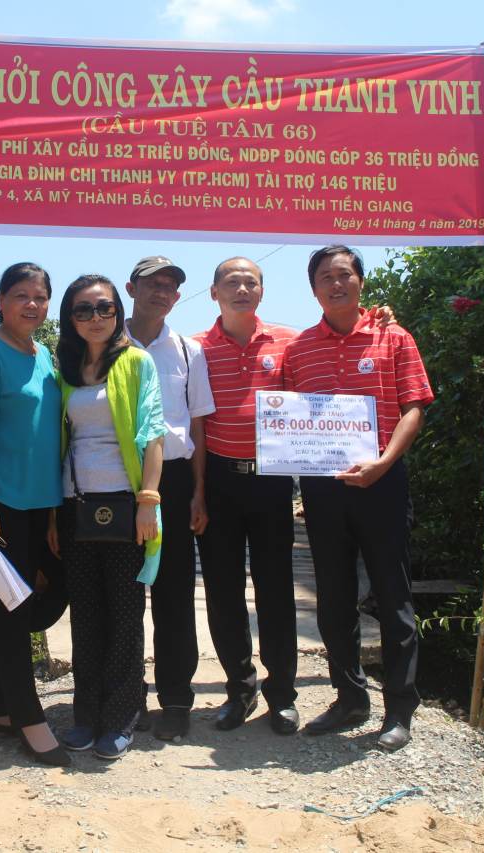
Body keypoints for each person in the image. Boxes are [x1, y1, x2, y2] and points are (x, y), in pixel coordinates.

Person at [285, 245, 433, 752]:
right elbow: (287, 418)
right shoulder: (299, 349)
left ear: (361, 282)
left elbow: (414, 407)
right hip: (323, 489)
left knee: (393, 596)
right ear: (313, 289)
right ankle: (349, 698)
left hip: (382, 482)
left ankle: (400, 709)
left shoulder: (394, 336)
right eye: (325, 277)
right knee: (333, 597)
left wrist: (384, 462)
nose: (336, 283)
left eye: (344, 274)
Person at [0, 262, 71, 767]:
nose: (32, 304)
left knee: (27, 603)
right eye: (21, 294)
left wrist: (53, 512)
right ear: (1, 300)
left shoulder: (44, 354)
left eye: (40, 296)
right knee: (10, 609)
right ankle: (28, 718)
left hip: (40, 504)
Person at [52, 274, 166, 760]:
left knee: (124, 615)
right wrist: (52, 515)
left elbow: (153, 432)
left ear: (118, 312)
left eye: (104, 308)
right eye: (83, 309)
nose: (95, 318)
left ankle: (121, 718)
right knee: (85, 615)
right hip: (74, 505)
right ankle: (86, 715)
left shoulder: (136, 362)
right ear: (70, 318)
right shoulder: (65, 368)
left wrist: (148, 500)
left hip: (124, 504)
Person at [195, 257, 301, 735]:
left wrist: (377, 316)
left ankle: (283, 694)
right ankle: (240, 688)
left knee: (275, 588)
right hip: (219, 479)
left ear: (261, 291)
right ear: (214, 291)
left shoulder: (289, 342)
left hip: (272, 480)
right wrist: (198, 493)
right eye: (232, 282)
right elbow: (195, 424)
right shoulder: (196, 349)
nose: (242, 289)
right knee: (222, 591)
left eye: (250, 282)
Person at [123, 256, 215, 741]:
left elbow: (197, 424)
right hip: (117, 480)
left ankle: (176, 700)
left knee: (174, 594)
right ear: (131, 288)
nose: (161, 292)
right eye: (152, 284)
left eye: (169, 287)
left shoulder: (187, 350)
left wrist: (199, 491)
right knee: (123, 595)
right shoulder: (106, 341)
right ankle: (127, 696)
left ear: (177, 297)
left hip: (175, 481)